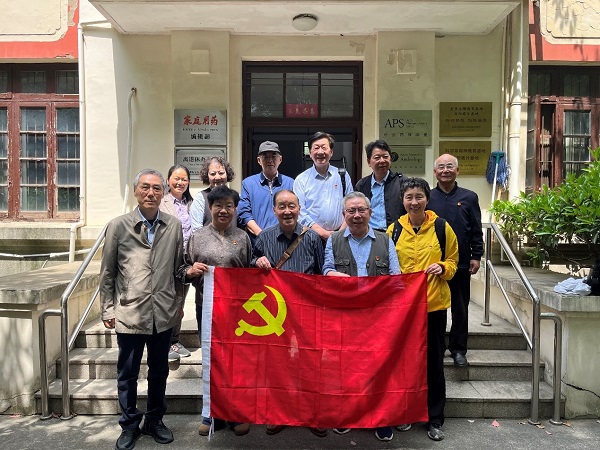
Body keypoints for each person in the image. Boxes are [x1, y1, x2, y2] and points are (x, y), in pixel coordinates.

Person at [100, 169, 184, 450]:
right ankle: (129, 424)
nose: (151, 193)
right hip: (130, 312)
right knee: (128, 374)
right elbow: (108, 272)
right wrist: (107, 309)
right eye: (145, 187)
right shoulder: (118, 226)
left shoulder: (173, 226)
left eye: (157, 188)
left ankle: (155, 420)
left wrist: (177, 304)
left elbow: (177, 269)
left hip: (163, 313)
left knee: (159, 372)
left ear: (163, 193)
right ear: (136, 191)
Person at [323, 191, 400, 442]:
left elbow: (396, 278)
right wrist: (335, 276)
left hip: (378, 317)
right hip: (345, 316)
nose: (356, 215)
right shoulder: (334, 240)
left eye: (361, 210)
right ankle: (347, 415)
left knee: (379, 368)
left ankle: (381, 418)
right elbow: (326, 270)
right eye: (351, 211)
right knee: (345, 368)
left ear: (370, 212)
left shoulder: (384, 240)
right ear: (344, 215)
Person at [387, 177, 458, 442]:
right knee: (404, 362)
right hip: (403, 309)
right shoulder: (394, 230)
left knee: (433, 364)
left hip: (434, 306)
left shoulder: (441, 227)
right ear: (402, 201)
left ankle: (434, 418)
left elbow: (453, 262)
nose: (414, 202)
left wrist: (443, 267)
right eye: (409, 197)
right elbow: (388, 268)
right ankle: (405, 412)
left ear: (427, 199)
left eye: (419, 196)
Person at [252, 189, 326, 438]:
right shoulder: (264, 238)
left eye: (291, 206)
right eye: (281, 206)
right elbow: (251, 268)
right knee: (277, 365)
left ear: (299, 208)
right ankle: (278, 413)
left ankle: (312, 413)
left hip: (307, 313)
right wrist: (256, 262)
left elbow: (321, 274)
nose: (287, 211)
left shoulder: (312, 238)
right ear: (274, 210)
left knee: (310, 364)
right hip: (276, 315)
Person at [182, 185, 252, 438]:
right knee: (211, 360)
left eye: (229, 206)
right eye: (218, 206)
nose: (223, 210)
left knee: (236, 362)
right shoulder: (197, 237)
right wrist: (190, 271)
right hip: (207, 308)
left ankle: (235, 412)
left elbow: (249, 272)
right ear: (210, 208)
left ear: (235, 209)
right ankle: (211, 414)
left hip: (237, 312)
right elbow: (182, 268)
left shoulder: (243, 238)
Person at [427, 154, 484, 368]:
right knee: (435, 308)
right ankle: (437, 347)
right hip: (433, 265)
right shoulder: (428, 197)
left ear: (457, 170)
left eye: (450, 166)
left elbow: (476, 229)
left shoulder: (469, 197)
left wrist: (476, 255)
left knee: (460, 307)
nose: (445, 170)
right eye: (441, 167)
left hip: (460, 263)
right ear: (435, 172)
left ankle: (459, 349)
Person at [159, 164, 194, 362]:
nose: (180, 182)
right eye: (176, 178)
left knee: (179, 300)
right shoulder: (161, 202)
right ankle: (163, 342)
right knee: (167, 299)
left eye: (184, 179)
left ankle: (175, 340)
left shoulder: (192, 203)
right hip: (166, 258)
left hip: (186, 259)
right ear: (168, 180)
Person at [293, 131, 353, 243]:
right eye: (316, 148)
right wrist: (322, 233)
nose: (320, 152)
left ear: (331, 152)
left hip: (340, 237)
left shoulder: (342, 176)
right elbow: (300, 212)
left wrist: (340, 233)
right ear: (310, 152)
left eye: (324, 148)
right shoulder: (301, 180)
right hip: (310, 237)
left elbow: (350, 207)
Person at [237, 141, 294, 248]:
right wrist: (262, 235)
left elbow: (296, 212)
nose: (270, 160)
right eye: (265, 157)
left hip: (285, 242)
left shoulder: (291, 183)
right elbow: (244, 213)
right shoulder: (248, 183)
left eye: (273, 156)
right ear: (259, 160)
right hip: (257, 243)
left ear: (280, 159)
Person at [354, 139, 406, 231]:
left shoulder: (402, 182)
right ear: (369, 162)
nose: (382, 161)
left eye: (385, 157)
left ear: (390, 159)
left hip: (395, 233)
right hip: (369, 233)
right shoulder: (362, 185)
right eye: (377, 157)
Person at [189, 156, 235, 232]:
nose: (217, 177)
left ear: (227, 174)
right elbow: (197, 230)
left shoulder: (235, 196)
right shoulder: (201, 197)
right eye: (213, 174)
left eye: (221, 173)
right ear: (207, 176)